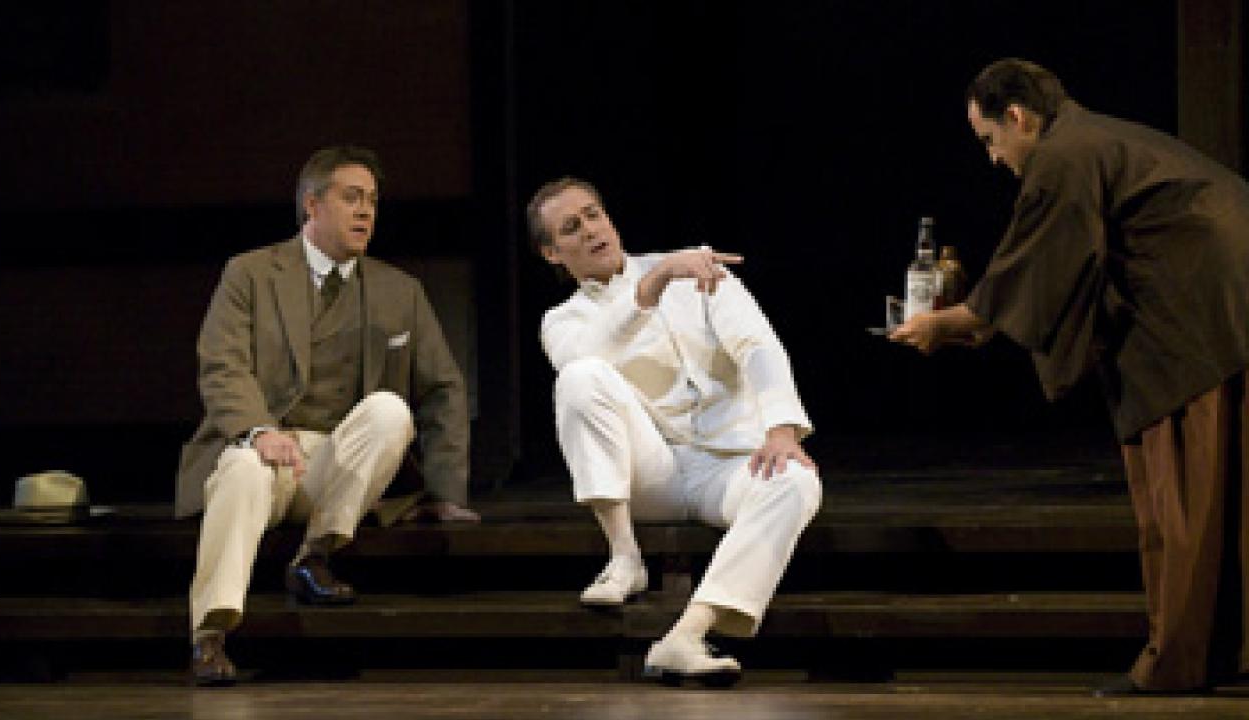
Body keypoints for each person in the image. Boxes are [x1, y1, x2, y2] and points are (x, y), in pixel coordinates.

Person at [891, 59, 1249, 696]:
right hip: (1224, 309)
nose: (993, 159)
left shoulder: (1064, 155)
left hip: (1196, 319)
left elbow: (1038, 264)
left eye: (990, 140)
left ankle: (1178, 663)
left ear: (1018, 118)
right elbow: (1048, 272)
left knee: (1183, 496)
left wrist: (951, 323)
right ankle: (1226, 652)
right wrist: (977, 317)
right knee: (1230, 496)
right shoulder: (1100, 140)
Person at [176, 145, 478, 686]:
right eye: (352, 198)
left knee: (389, 410)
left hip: (335, 469)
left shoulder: (398, 290)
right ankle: (209, 635)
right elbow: (222, 366)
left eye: (373, 202)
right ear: (311, 206)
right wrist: (259, 430)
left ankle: (313, 554)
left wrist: (445, 489)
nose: (366, 212)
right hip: (263, 456)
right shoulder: (249, 273)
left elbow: (443, 389)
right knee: (244, 467)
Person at [527, 177, 822, 686]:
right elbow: (589, 355)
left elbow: (757, 344)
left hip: (729, 464)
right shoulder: (563, 319)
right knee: (580, 377)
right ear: (552, 253)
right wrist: (654, 282)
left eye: (594, 214)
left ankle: (687, 635)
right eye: (571, 228)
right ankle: (624, 556)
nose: (592, 230)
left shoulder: (694, 269)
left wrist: (782, 429)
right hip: (654, 473)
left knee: (797, 482)